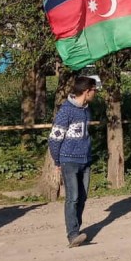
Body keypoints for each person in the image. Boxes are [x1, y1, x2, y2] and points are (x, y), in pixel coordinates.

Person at [49, 75, 98, 247]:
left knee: (83, 197)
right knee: (73, 197)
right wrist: (57, 161)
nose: (95, 93)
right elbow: (54, 139)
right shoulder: (66, 110)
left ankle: (77, 228)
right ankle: (72, 234)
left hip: (85, 160)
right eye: (94, 90)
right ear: (86, 91)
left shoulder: (86, 109)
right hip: (69, 160)